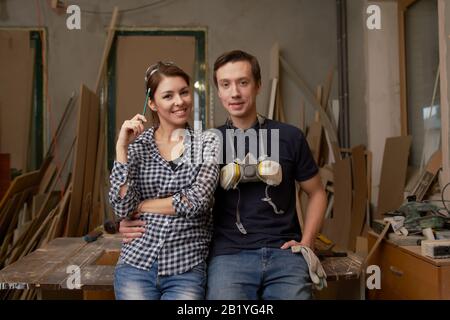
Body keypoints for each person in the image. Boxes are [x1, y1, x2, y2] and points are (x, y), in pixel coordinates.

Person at [119, 51, 327, 300]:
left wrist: (307, 241)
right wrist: (126, 218)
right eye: (226, 85)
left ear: (258, 85)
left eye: (243, 82)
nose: (235, 93)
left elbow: (316, 193)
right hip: (229, 256)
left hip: (285, 254)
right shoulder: (204, 144)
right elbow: (169, 191)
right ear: (218, 92)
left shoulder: (290, 137)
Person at [109, 61, 219, 300]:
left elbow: (197, 202)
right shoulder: (136, 146)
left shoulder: (208, 142)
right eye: (168, 95)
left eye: (184, 92)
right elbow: (121, 207)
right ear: (152, 103)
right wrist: (121, 148)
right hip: (136, 263)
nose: (179, 101)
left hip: (186, 265)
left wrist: (142, 206)